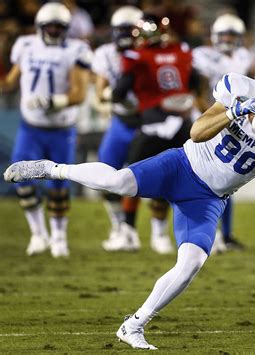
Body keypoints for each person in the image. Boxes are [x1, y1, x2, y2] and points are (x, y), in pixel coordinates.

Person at [4, 53, 255, 349]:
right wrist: (238, 111)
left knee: (192, 262)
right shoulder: (239, 89)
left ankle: (134, 325)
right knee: (119, 182)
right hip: (182, 166)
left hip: (209, 198)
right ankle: (52, 169)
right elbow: (196, 132)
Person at [0, 2, 91, 257]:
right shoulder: (25, 45)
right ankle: (38, 233)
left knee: (59, 186)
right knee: (19, 178)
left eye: (58, 26)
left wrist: (53, 102)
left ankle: (59, 237)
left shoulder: (76, 49)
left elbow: (79, 93)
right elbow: (9, 81)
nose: (53, 30)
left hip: (61, 128)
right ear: (40, 26)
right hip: (31, 127)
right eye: (49, 26)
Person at [109, 14, 200, 254]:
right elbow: (195, 82)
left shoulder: (137, 56)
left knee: (132, 177)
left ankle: (128, 231)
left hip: (152, 124)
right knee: (172, 180)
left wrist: (135, 109)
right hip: (181, 124)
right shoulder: (181, 50)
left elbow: (118, 93)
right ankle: (161, 235)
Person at [192, 13, 255, 251]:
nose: (228, 39)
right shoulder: (201, 56)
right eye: (224, 34)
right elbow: (196, 90)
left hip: (230, 122)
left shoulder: (242, 56)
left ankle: (225, 235)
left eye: (232, 34)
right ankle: (204, 233)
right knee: (203, 180)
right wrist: (209, 116)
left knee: (226, 181)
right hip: (206, 122)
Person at [92, 5, 143, 252]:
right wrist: (111, 96)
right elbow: (100, 90)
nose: (124, 35)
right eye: (121, 29)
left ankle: (155, 232)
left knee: (149, 178)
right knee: (106, 174)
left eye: (129, 29)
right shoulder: (105, 53)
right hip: (121, 121)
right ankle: (118, 227)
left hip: (147, 121)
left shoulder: (147, 52)